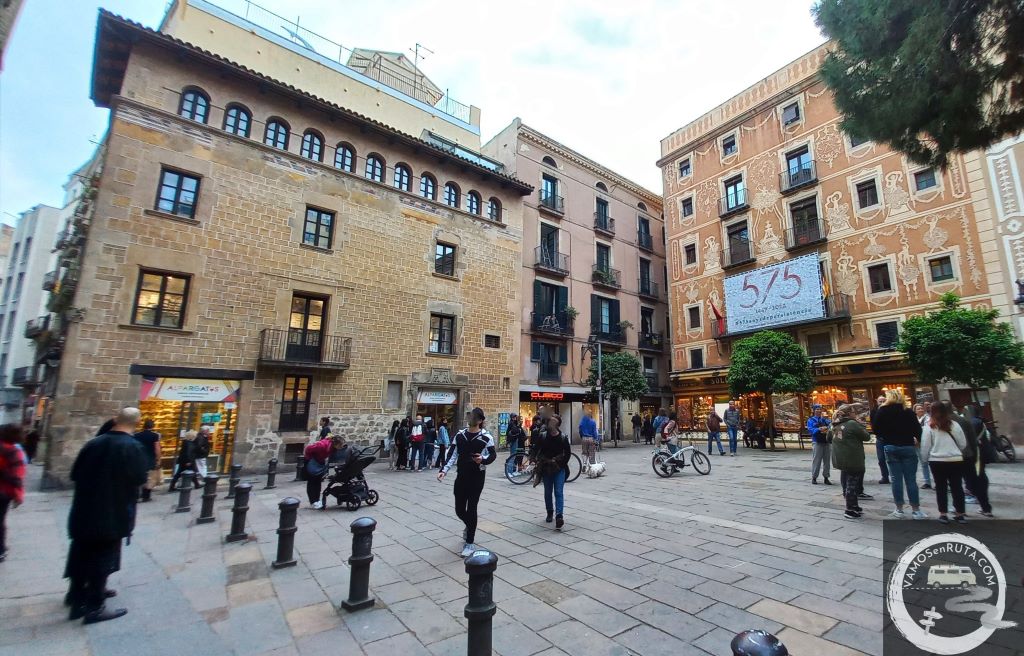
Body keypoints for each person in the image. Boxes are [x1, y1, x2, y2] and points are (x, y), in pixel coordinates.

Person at [64, 408, 147, 624]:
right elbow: (139, 478)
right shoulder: (132, 447)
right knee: (103, 556)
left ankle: (75, 598)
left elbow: (74, 474)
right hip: (112, 510)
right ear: (136, 422)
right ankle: (95, 606)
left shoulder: (93, 443)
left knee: (80, 551)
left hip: (83, 509)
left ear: (116, 420)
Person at [438, 407, 496, 557]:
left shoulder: (486, 437)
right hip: (462, 475)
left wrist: (482, 459)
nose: (471, 419)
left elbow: (492, 455)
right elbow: (452, 454)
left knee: (472, 508)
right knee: (459, 509)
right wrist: (444, 470)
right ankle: (470, 525)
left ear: (480, 420)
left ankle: (469, 542)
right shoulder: (460, 435)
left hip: (477, 477)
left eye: (475, 417)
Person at [874, 390, 926, 519]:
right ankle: (916, 510)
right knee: (911, 480)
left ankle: (899, 509)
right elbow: (917, 429)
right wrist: (917, 439)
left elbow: (876, 429)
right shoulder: (908, 412)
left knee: (896, 479)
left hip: (891, 446)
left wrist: (885, 437)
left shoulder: (882, 411)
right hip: (908, 446)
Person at [921, 402, 968, 524]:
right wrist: (955, 452)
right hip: (955, 460)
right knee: (957, 487)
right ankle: (960, 513)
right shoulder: (954, 425)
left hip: (937, 461)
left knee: (940, 487)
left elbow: (925, 446)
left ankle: (943, 514)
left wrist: (925, 459)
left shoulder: (929, 426)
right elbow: (963, 443)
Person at [829, 405, 870, 519]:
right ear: (848, 413)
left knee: (849, 482)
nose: (855, 414)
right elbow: (866, 437)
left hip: (840, 458)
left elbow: (828, 438)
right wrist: (861, 426)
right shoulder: (852, 423)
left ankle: (855, 505)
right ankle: (849, 509)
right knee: (852, 484)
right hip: (853, 458)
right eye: (853, 412)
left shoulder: (834, 423)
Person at [533, 414, 571, 528]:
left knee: (558, 492)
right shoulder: (543, 436)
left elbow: (567, 454)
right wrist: (533, 458)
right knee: (548, 492)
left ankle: (559, 515)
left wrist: (560, 464)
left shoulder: (563, 437)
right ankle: (550, 512)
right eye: (550, 422)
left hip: (559, 468)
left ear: (558, 424)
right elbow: (536, 449)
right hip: (546, 467)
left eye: (554, 422)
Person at [957, 404, 993, 517]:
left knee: (973, 478)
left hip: (973, 454)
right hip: (981, 453)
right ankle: (985, 506)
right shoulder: (980, 421)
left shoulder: (969, 422)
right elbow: (987, 436)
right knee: (980, 476)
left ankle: (976, 502)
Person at [0, 424, 26, 562]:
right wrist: (18, 494)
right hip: (4, 492)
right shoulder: (14, 451)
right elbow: (17, 476)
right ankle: (0, 549)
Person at [304, 435, 342, 509]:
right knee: (312, 482)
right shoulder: (322, 445)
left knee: (318, 482)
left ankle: (317, 500)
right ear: (336, 444)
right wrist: (310, 459)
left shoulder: (332, 448)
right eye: (340, 445)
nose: (341, 447)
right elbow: (308, 449)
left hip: (319, 462)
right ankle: (313, 501)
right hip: (312, 462)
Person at [132, 420, 161, 502]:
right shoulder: (155, 436)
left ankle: (136, 496)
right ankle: (146, 496)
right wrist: (158, 459)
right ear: (152, 426)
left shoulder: (136, 435)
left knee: (138, 476)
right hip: (150, 458)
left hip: (138, 458)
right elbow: (157, 448)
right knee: (149, 478)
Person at [807, 405, 832, 485]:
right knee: (816, 460)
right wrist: (819, 429)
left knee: (827, 461)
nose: (819, 410)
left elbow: (831, 426)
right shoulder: (811, 420)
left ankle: (826, 477)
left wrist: (828, 426)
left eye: (820, 409)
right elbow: (810, 430)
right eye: (817, 409)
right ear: (814, 410)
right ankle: (814, 477)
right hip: (817, 442)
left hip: (826, 441)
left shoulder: (825, 419)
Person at [870, 395, 890, 484]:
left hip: (890, 438)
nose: (881, 403)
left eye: (883, 401)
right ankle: (885, 476)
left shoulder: (890, 411)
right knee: (881, 459)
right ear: (877, 402)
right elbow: (873, 425)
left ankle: (893, 475)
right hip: (880, 438)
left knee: (891, 458)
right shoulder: (874, 411)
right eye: (880, 401)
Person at [913, 404, 933, 490]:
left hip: (926, 443)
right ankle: (927, 481)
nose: (921, 410)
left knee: (930, 462)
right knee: (923, 463)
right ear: (915, 411)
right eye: (918, 409)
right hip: (917, 444)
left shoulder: (927, 418)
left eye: (921, 408)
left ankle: (935, 480)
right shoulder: (913, 419)